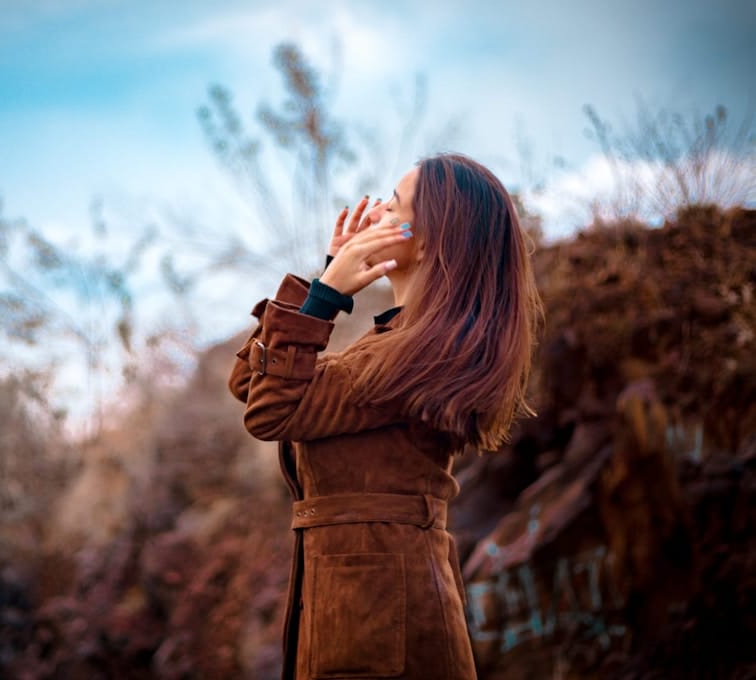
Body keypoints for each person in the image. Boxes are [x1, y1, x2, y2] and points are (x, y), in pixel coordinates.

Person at [228, 153, 543, 679]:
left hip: (383, 629)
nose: (372, 214)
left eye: (392, 206)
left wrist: (326, 300)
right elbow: (249, 383)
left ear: (426, 240)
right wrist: (319, 285)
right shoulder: (393, 346)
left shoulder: (419, 359)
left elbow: (270, 412)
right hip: (362, 617)